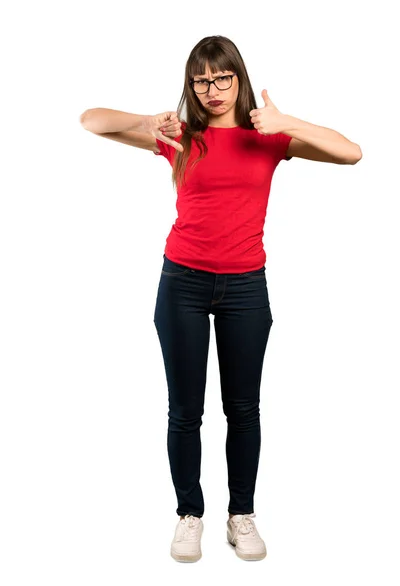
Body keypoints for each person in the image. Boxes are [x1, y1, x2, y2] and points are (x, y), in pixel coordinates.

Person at [80, 35, 362, 563]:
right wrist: (148, 121)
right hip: (181, 281)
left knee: (244, 409)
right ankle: (190, 515)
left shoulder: (269, 139)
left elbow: (352, 153)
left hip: (246, 287)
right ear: (191, 85)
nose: (211, 90)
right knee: (185, 410)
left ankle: (241, 514)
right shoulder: (182, 138)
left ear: (239, 77)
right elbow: (91, 120)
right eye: (200, 80)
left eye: (221, 78)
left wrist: (289, 123)